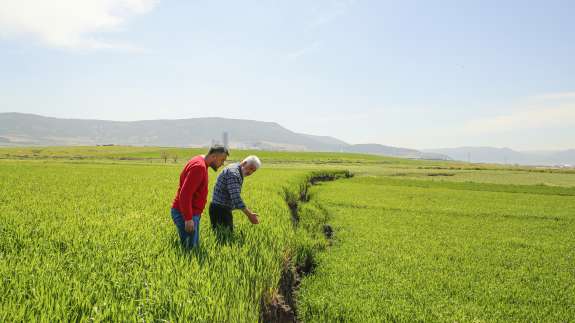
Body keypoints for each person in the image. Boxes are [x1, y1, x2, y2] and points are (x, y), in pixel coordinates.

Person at [171, 145, 229, 249]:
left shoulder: (199, 160)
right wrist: (188, 219)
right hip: (186, 214)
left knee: (193, 249)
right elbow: (185, 194)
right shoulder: (199, 167)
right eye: (222, 160)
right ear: (214, 156)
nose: (222, 164)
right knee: (190, 250)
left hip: (189, 212)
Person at [209, 155, 261, 233]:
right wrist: (249, 215)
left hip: (221, 208)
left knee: (224, 236)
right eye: (250, 168)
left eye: (253, 171)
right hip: (220, 210)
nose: (250, 172)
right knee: (225, 238)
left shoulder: (236, 167)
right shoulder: (234, 174)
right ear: (244, 163)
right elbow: (236, 197)